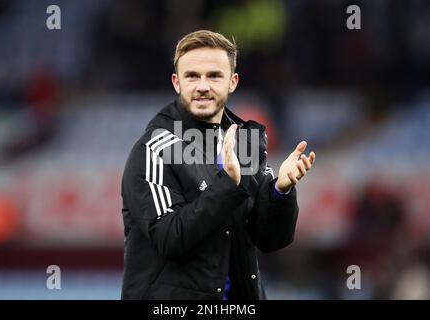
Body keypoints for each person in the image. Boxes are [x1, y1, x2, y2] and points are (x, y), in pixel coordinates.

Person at [120, 30, 316, 300]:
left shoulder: (245, 143)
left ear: (232, 82)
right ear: (177, 83)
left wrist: (280, 191)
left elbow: (271, 240)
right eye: (192, 76)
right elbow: (170, 239)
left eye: (214, 75)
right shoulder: (153, 150)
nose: (202, 86)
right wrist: (228, 184)